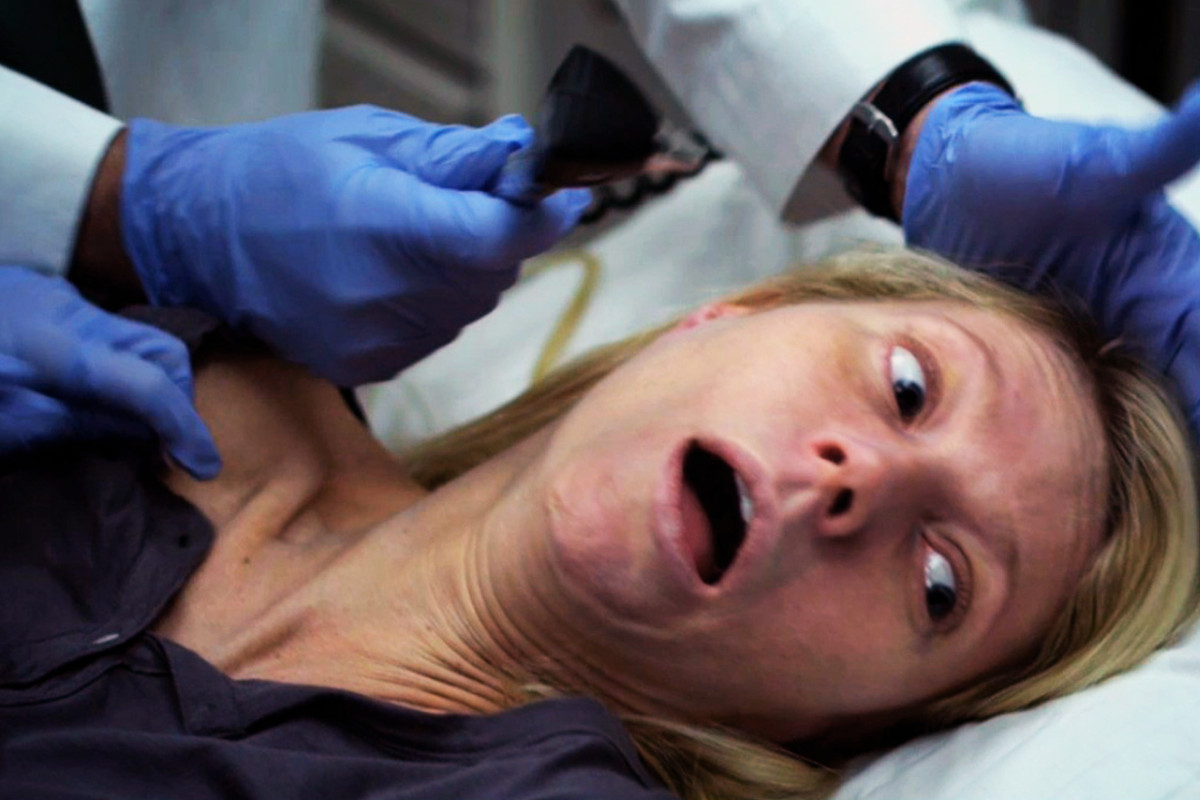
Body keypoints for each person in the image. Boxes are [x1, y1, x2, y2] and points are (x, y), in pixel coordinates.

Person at [2, 244, 1197, 800]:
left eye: (943, 583)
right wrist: (98, 194)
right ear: (729, 313)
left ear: (846, 723)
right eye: (907, 385)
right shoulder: (185, 327)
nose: (860, 479)